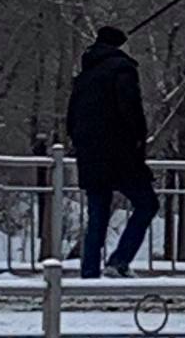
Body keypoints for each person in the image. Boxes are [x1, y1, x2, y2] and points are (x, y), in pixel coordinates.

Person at [66, 25, 159, 278]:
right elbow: (131, 111)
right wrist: (138, 142)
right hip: (121, 155)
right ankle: (119, 260)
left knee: (98, 212)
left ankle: (89, 270)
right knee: (147, 204)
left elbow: (71, 119)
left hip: (90, 156)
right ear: (120, 45)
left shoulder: (84, 76)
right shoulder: (122, 70)